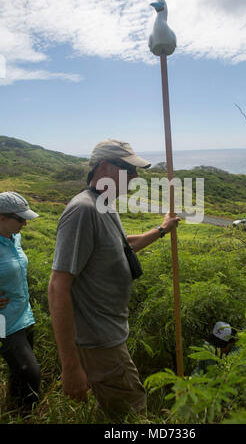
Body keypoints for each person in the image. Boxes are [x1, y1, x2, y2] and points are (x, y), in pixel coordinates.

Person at [48, 139, 180, 419]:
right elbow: (58, 286)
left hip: (109, 336)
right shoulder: (82, 209)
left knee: (115, 411)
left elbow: (122, 245)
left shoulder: (104, 204)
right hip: (99, 343)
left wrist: (162, 229)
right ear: (105, 167)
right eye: (128, 169)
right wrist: (70, 366)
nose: (135, 178)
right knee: (132, 413)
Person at [0, 192, 40, 409]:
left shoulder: (15, 238)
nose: (25, 223)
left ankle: (13, 412)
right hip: (4, 322)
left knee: (19, 374)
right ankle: (28, 416)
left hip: (24, 315)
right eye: (20, 218)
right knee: (30, 374)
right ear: (1, 217)